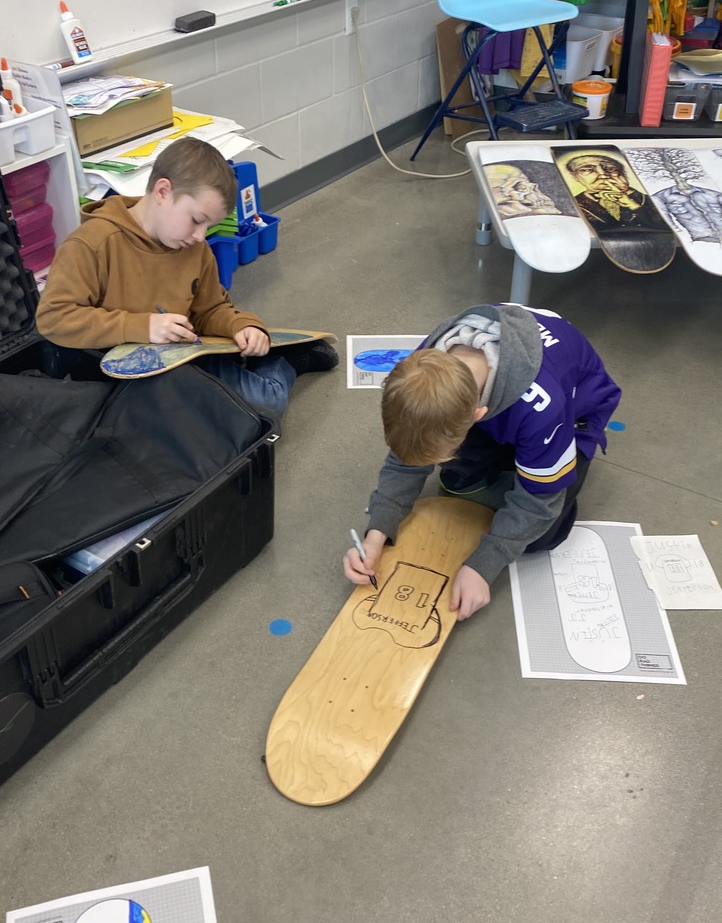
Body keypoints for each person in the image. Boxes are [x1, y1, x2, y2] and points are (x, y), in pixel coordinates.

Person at [343, 304, 621, 621]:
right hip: (501, 392)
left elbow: (539, 502)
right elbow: (405, 458)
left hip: (575, 411)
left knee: (541, 537)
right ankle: (503, 454)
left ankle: (525, 457)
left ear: (477, 417)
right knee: (453, 465)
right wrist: (377, 531)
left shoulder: (543, 408)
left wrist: (484, 565)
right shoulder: (422, 364)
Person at [36, 137, 337, 417]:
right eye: (196, 220)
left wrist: (241, 325)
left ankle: (284, 361)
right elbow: (54, 318)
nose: (199, 236)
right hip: (119, 373)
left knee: (266, 404)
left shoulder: (193, 246)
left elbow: (210, 309)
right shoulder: (93, 244)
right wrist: (141, 326)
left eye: (208, 227)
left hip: (184, 360)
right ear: (163, 192)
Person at [562, 152, 665, 232]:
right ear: (575, 176)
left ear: (621, 174)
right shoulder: (570, 204)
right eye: (586, 170)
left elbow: (661, 227)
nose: (603, 174)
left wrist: (632, 204)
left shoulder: (650, 199)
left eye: (610, 169)